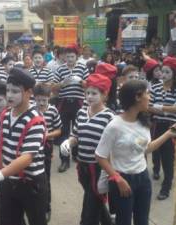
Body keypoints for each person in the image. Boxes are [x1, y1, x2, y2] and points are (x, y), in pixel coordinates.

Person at [95, 80, 176, 225]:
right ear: (137, 97)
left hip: (143, 178)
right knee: (123, 221)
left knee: (142, 221)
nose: (150, 97)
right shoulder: (114, 126)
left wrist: (169, 133)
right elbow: (100, 156)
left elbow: (146, 148)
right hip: (122, 180)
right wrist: (117, 178)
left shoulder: (144, 121)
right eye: (147, 94)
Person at [0, 68, 47, 225]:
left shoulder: (36, 120)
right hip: (7, 181)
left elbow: (26, 158)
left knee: (37, 221)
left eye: (15, 91)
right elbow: (5, 141)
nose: (10, 95)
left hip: (31, 183)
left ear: (28, 92)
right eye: (8, 90)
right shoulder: (5, 115)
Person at [60, 73, 114, 225]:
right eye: (88, 93)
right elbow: (76, 135)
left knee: (90, 207)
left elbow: (112, 146)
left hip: (99, 168)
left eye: (94, 93)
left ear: (104, 95)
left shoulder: (110, 117)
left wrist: (108, 171)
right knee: (94, 200)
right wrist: (68, 143)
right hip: (82, 166)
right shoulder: (82, 112)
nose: (89, 97)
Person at [149, 56, 176, 200]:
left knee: (168, 158)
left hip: (171, 127)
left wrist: (161, 108)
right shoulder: (156, 87)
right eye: (162, 71)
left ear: (174, 74)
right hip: (157, 125)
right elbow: (149, 107)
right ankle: (156, 169)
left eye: (167, 72)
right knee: (155, 151)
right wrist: (166, 110)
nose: (163, 75)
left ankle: (166, 186)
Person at [53, 45, 89, 172]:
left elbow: (88, 85)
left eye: (72, 56)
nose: (69, 59)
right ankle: (64, 160)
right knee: (63, 132)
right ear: (64, 57)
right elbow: (53, 87)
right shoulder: (60, 69)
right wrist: (63, 83)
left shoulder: (82, 67)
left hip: (79, 102)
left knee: (78, 130)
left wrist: (81, 82)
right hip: (64, 102)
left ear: (76, 57)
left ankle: (76, 154)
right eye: (67, 56)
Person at [34, 83, 62, 222]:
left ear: (49, 97)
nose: (41, 103)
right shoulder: (31, 110)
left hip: (46, 146)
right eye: (38, 100)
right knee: (33, 176)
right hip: (31, 147)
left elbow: (59, 130)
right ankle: (33, 204)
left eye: (44, 100)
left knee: (45, 177)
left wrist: (47, 135)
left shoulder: (53, 110)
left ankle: (46, 207)